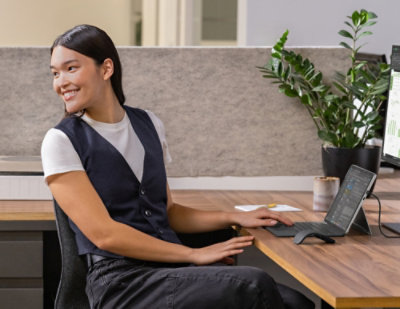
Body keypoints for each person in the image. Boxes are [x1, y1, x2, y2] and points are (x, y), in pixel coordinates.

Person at [41, 24, 314, 309]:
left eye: (71, 68)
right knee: (253, 285)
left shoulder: (148, 124)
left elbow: (168, 212)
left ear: (106, 68)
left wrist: (233, 217)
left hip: (167, 270)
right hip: (121, 283)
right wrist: (192, 254)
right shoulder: (61, 140)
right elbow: (104, 234)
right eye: (55, 73)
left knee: (295, 302)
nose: (61, 82)